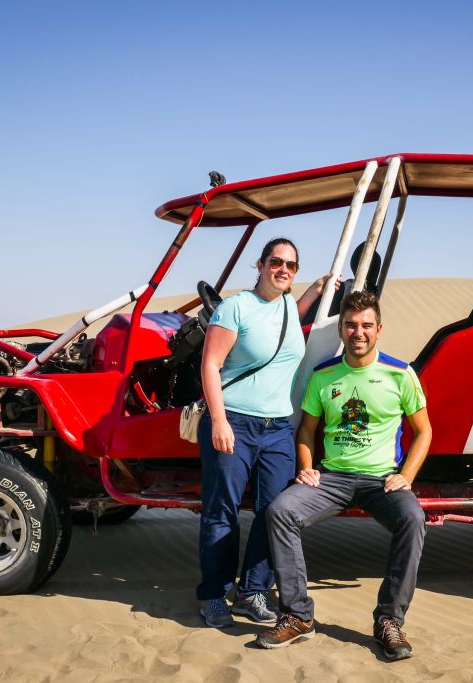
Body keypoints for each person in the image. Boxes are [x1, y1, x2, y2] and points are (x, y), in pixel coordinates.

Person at [256, 290, 432, 661]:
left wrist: (407, 476)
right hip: (332, 478)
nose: (359, 332)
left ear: (379, 329)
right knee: (280, 512)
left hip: (381, 480)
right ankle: (298, 615)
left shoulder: (400, 374)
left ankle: (389, 620)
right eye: (351, 325)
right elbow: (305, 431)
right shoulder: (324, 375)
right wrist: (306, 467)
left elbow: (424, 431)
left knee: (413, 518)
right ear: (341, 328)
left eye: (366, 325)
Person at [197, 237, 338, 628]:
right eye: (276, 262)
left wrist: (319, 288)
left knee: (273, 512)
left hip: (278, 429)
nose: (283, 270)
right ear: (259, 264)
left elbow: (294, 310)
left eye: (291, 265)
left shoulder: (290, 307)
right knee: (221, 512)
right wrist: (220, 420)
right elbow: (210, 365)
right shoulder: (236, 308)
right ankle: (213, 594)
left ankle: (252, 592)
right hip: (235, 421)